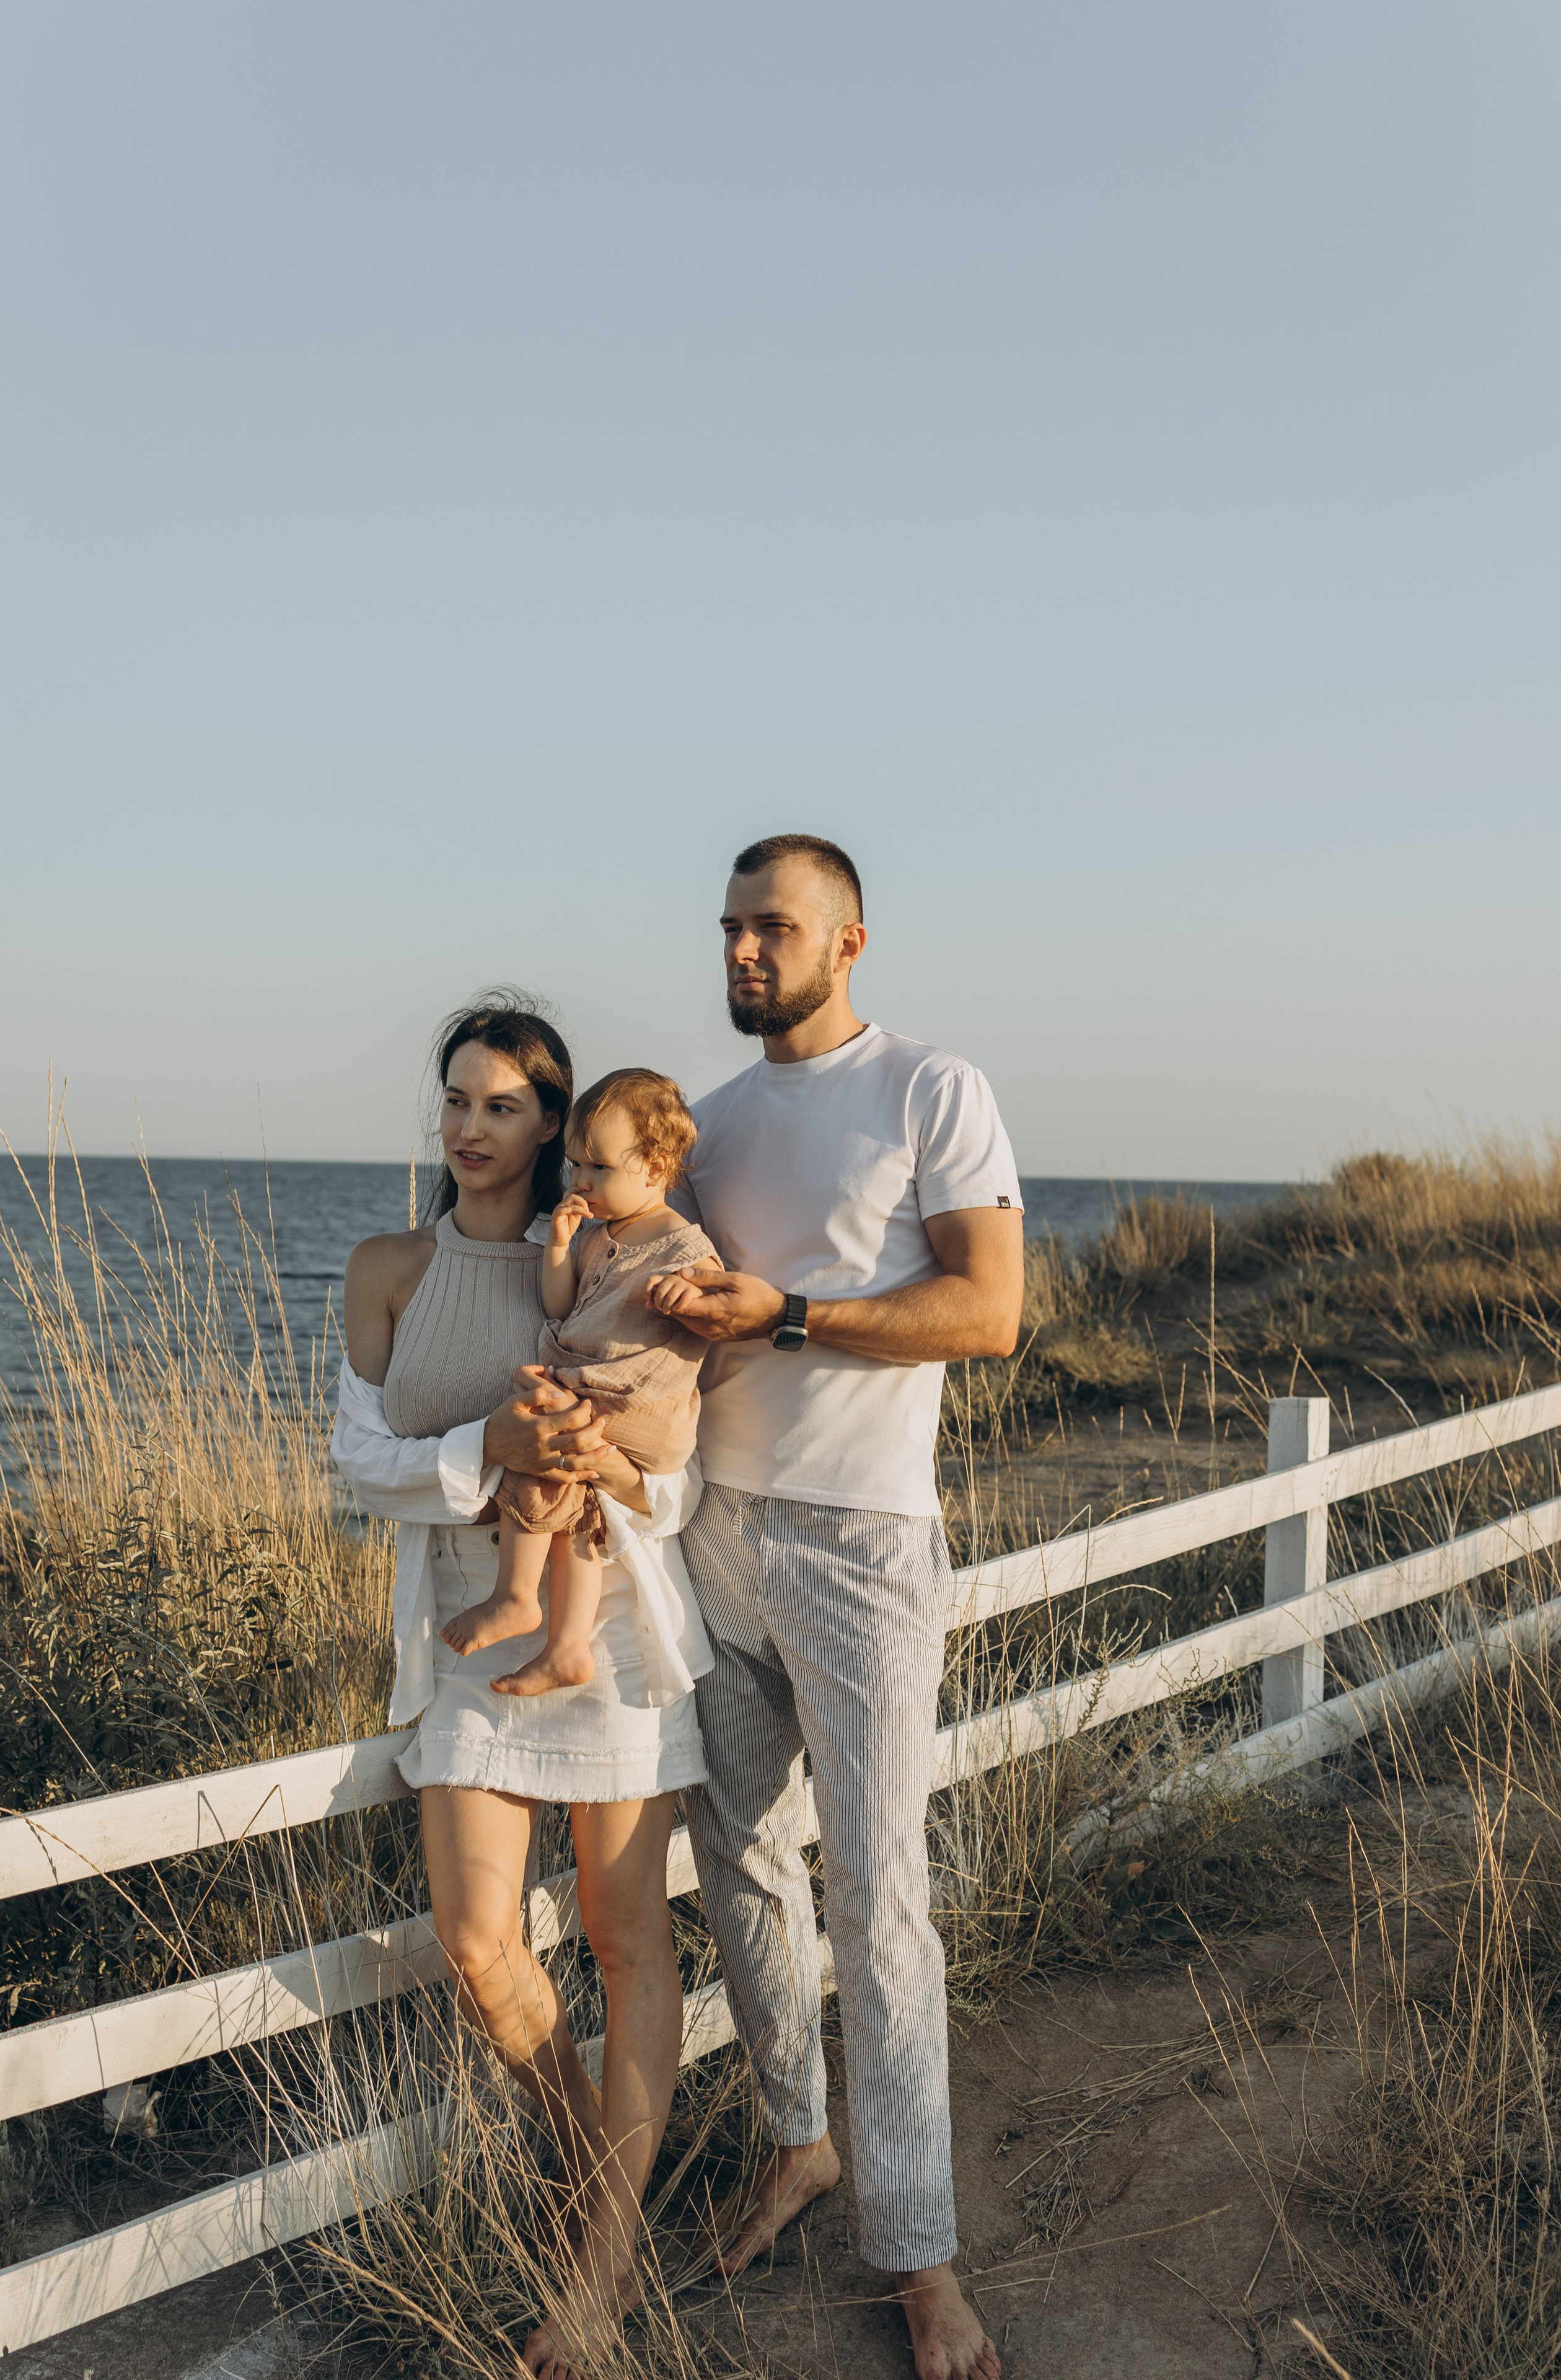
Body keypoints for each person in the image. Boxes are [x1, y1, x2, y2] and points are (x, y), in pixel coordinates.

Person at [649, 835, 1024, 2380]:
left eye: (773, 927)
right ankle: (798, 2138)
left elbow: (987, 1310)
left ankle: (919, 2250)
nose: (743, 950)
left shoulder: (930, 1089)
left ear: (847, 939)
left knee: (876, 1891)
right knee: (732, 1849)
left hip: (862, 1544)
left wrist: (787, 1309)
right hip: (708, 1530)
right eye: (730, 926)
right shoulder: (706, 1121)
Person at [332, 1000, 714, 2380]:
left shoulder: (620, 1251)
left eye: (500, 1105)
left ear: (551, 1121)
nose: (469, 1128)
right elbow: (353, 1464)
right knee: (480, 1940)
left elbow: (675, 1475)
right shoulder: (391, 1265)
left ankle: (599, 2283)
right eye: (454, 1103)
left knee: (625, 1945)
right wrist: (485, 1451)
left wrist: (599, 1466)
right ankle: (590, 2178)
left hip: (605, 1624)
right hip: (465, 1632)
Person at [438, 1067, 721, 1698]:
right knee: (578, 1500)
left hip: (642, 1401)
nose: (581, 1183)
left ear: (654, 1166)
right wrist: (561, 1246)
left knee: (538, 1429)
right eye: (574, 1167)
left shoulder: (682, 1245)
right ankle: (567, 1646)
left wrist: (689, 1293)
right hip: (607, 1396)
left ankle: (515, 1595)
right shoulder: (598, 1235)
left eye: (598, 1169)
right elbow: (557, 1307)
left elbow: (713, 1313)